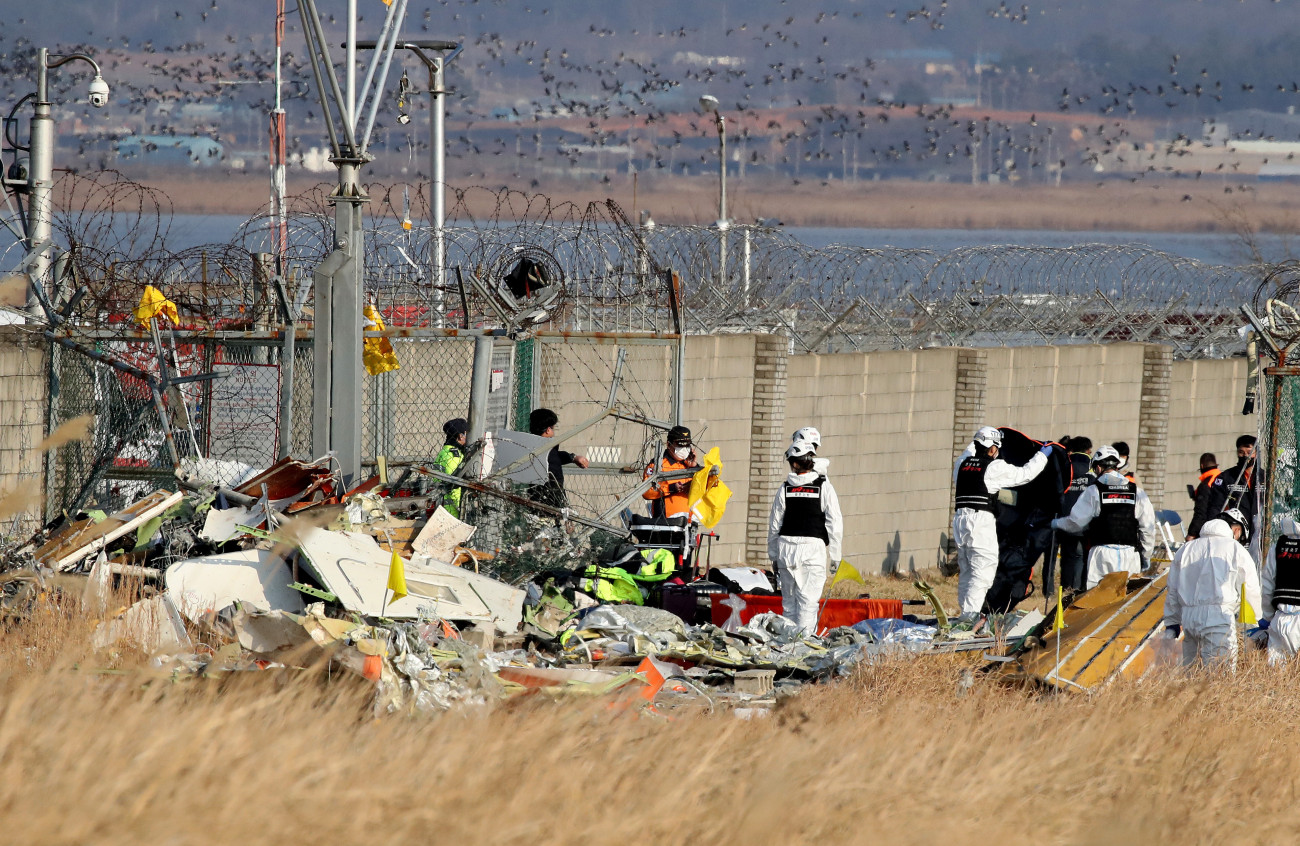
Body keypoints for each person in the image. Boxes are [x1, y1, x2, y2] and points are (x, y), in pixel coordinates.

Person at [951, 426, 1052, 621]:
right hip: (980, 522)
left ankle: (965, 614)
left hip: (960, 521)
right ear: (992, 449)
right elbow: (1025, 474)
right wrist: (1043, 455)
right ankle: (969, 619)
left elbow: (970, 449)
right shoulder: (994, 468)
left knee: (967, 570)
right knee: (982, 572)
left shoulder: (962, 463)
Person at [1164, 508, 1261, 671]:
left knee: (1192, 674)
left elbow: (1172, 588)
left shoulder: (1186, 549)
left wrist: (1172, 621)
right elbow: (1250, 587)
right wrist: (1255, 621)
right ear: (1236, 530)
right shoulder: (1235, 549)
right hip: (1218, 618)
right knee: (1220, 675)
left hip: (1189, 619)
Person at [1050, 445, 1156, 589]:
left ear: (1098, 467)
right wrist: (1146, 556)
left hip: (1102, 556)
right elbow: (1148, 529)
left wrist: (1055, 523)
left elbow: (1075, 523)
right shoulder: (1137, 492)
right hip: (1131, 555)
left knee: (1098, 602)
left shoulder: (1093, 491)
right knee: (1126, 602)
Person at [767, 440, 843, 636]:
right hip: (812, 550)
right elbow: (834, 522)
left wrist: (773, 555)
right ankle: (803, 650)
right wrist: (836, 555)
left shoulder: (784, 488)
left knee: (790, 606)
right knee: (808, 604)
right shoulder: (824, 486)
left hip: (786, 549)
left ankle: (787, 648)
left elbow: (774, 525)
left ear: (793, 463)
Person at [1188, 435, 1257, 541]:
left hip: (1259, 534)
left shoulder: (1265, 478)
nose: (1245, 456)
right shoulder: (1226, 477)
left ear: (1256, 453)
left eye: (1249, 452)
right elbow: (1214, 508)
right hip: (1236, 534)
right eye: (1241, 452)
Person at [525, 408, 589, 508]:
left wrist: (573, 458)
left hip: (536, 499)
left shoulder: (532, 445)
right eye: (553, 427)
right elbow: (554, 461)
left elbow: (555, 456)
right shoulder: (545, 448)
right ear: (548, 430)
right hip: (548, 502)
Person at [1057, 435, 1094, 592]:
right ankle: (1078, 589)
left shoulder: (1064, 467)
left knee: (1067, 557)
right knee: (1081, 557)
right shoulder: (1092, 470)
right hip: (1084, 523)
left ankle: (1065, 588)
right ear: (1088, 451)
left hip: (1064, 519)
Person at [1261, 517, 1300, 665]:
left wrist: (1267, 616)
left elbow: (1267, 584)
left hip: (1280, 619)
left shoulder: (1278, 545)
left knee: (1277, 675)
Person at [642, 425, 703, 519]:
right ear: (669, 444)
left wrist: (694, 467)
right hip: (665, 523)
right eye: (680, 445)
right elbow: (646, 492)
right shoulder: (657, 464)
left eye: (687, 445)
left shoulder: (689, 465)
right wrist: (671, 488)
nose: (684, 449)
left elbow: (705, 489)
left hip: (688, 523)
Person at [433, 418, 468, 517]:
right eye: (467, 433)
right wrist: (460, 508)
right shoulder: (453, 456)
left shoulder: (445, 451)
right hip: (453, 512)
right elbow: (453, 485)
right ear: (461, 436)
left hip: (444, 508)